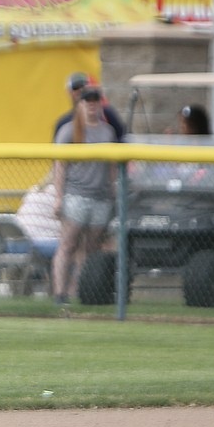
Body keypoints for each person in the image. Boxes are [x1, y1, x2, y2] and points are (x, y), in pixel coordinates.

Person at [52, 86, 117, 304]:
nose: (91, 104)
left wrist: (114, 194)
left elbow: (112, 169)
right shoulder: (69, 130)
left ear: (100, 103)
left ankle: (79, 290)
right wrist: (59, 197)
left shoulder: (107, 132)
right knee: (68, 244)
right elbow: (59, 166)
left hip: (101, 197)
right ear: (79, 104)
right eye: (87, 101)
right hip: (75, 195)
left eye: (95, 100)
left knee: (91, 248)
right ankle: (60, 293)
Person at [54, 72, 126, 142]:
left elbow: (121, 139)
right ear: (69, 92)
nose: (80, 90)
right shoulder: (65, 126)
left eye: (84, 86)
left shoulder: (108, 118)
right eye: (76, 88)